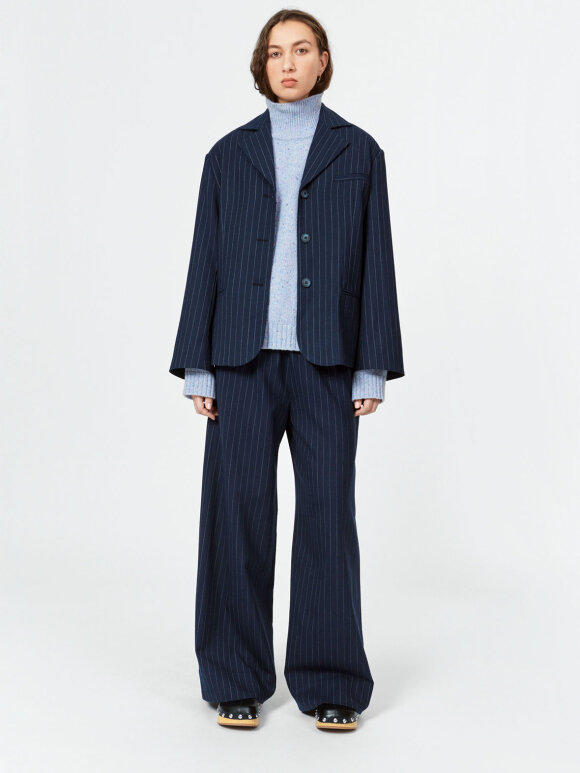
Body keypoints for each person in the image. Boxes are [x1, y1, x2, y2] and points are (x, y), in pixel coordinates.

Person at [169, 9, 404, 731]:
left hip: (328, 361)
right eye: (276, 53)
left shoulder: (358, 151)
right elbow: (206, 259)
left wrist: (372, 366)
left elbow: (376, 260)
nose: (289, 63)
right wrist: (198, 365)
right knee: (236, 517)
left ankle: (332, 679)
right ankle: (234, 676)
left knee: (328, 518)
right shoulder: (227, 155)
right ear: (262, 64)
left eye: (302, 50)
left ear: (323, 60)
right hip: (239, 360)